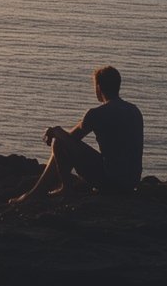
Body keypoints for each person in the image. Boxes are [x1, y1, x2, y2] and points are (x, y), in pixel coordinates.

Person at [9, 65, 143, 204]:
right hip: (131, 183)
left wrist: (55, 131)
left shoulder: (96, 113)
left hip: (111, 183)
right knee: (60, 137)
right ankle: (41, 191)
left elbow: (70, 139)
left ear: (98, 87)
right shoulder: (134, 111)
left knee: (58, 141)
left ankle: (59, 190)